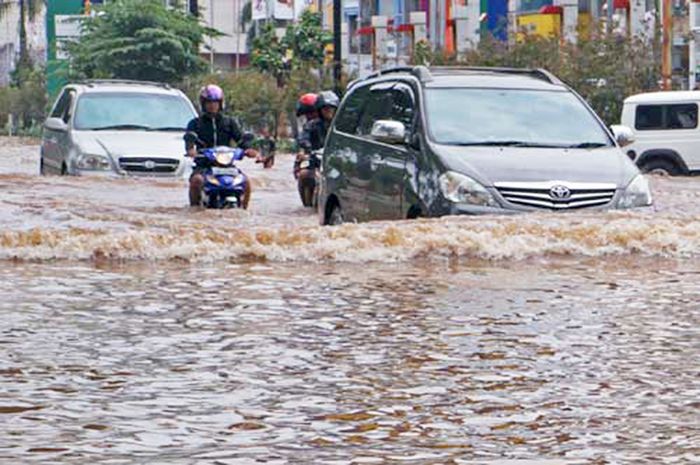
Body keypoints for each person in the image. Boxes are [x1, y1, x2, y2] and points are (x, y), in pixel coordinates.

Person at [184, 84, 260, 209]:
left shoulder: (229, 122)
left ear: (220, 103)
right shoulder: (195, 123)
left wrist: (249, 150)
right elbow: (189, 139)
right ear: (203, 104)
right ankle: (194, 208)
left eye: (215, 102)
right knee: (196, 181)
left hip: (227, 165)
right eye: (209, 102)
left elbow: (240, 139)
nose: (212, 105)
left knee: (246, 182)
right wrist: (191, 149)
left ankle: (244, 210)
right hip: (204, 165)